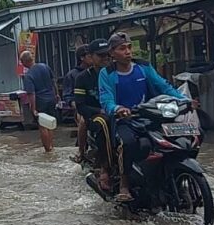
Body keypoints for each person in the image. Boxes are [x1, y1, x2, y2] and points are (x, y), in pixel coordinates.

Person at [99, 32, 187, 202]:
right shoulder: (107, 73)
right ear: (112, 53)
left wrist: (184, 100)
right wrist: (117, 108)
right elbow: (106, 98)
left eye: (129, 47)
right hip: (124, 120)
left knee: (177, 136)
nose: (128, 52)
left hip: (149, 115)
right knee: (127, 143)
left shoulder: (144, 67)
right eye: (122, 48)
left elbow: (163, 86)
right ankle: (124, 185)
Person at [74, 39, 113, 190]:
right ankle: (104, 168)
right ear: (91, 56)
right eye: (100, 55)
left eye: (107, 55)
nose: (105, 58)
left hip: (118, 111)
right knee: (104, 124)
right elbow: (80, 105)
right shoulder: (82, 78)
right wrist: (99, 111)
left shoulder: (117, 72)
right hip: (96, 115)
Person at [20, 50, 58, 153]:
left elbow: (31, 94)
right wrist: (57, 94)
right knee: (50, 124)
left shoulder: (28, 75)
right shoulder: (45, 66)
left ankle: (47, 150)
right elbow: (53, 81)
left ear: (24, 62)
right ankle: (51, 147)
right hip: (51, 99)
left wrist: (33, 108)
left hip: (41, 101)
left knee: (43, 126)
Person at [63, 44, 92, 160]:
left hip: (98, 105)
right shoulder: (72, 75)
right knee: (83, 122)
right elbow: (67, 96)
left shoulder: (99, 72)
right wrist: (78, 106)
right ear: (82, 58)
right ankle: (81, 151)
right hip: (81, 107)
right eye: (90, 55)